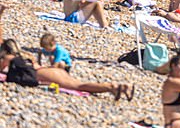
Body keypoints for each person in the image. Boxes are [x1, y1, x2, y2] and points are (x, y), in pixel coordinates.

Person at [0, 39, 133, 100]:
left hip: (46, 74)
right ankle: (116, 88)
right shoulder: (24, 56)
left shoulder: (9, 58)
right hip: (52, 71)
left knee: (80, 86)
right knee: (79, 84)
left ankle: (114, 87)